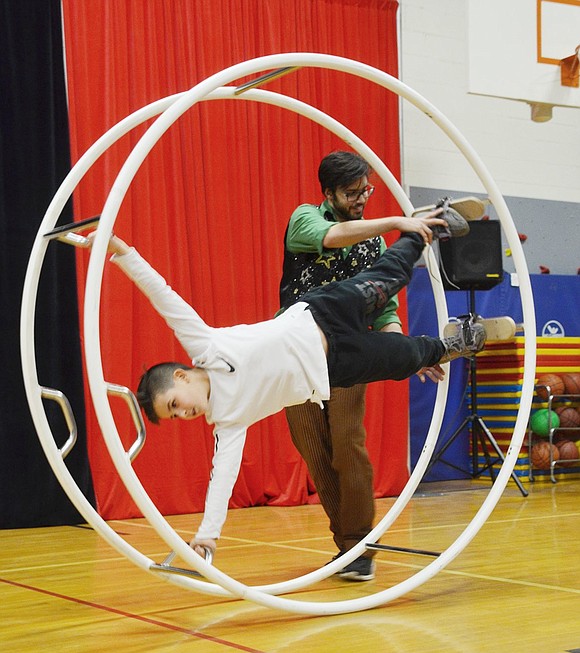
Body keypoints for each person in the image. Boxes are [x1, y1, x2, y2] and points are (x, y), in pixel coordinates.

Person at [88, 215, 485, 562]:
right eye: (173, 417)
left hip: (324, 311)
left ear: (182, 376)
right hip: (332, 366)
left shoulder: (205, 346)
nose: (182, 414)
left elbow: (164, 298)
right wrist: (206, 538)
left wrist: (122, 252)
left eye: (174, 404)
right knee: (404, 357)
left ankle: (426, 224)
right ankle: (456, 342)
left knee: (388, 277)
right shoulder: (228, 421)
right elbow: (221, 480)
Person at [279, 151, 443, 581]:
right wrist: (396, 223)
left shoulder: (373, 243)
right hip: (296, 354)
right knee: (315, 450)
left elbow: (385, 307)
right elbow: (332, 236)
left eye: (365, 190)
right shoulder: (304, 219)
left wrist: (404, 355)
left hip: (348, 354)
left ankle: (358, 546)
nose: (360, 199)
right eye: (351, 193)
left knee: (348, 443)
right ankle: (347, 545)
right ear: (328, 193)